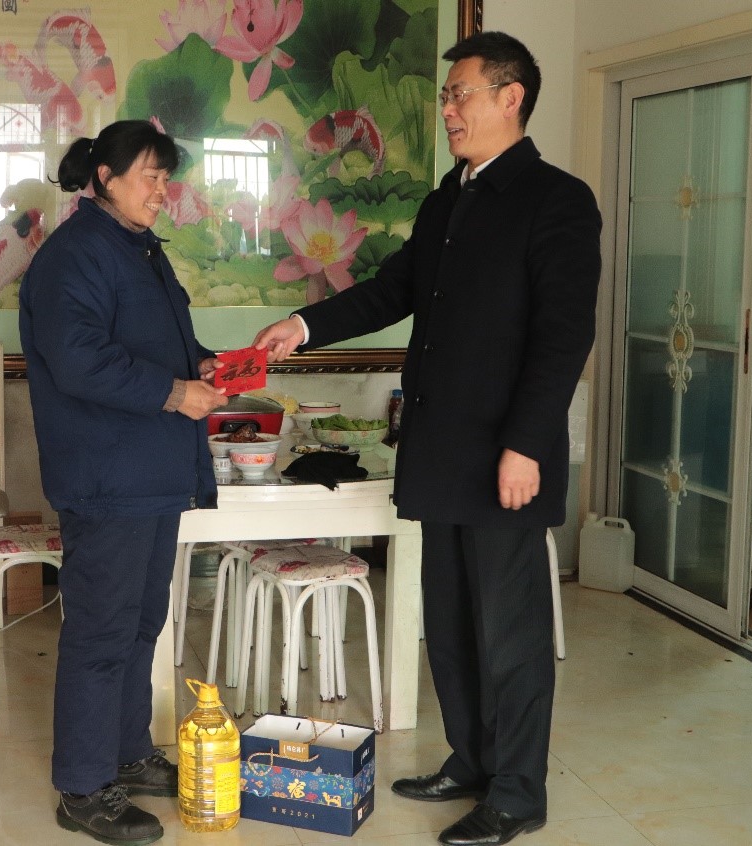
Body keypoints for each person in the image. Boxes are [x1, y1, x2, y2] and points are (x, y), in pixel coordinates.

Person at [254, 32, 601, 846]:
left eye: (459, 93)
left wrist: (527, 444)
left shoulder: (555, 199)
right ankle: (471, 761)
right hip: (443, 449)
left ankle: (516, 793)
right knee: (447, 622)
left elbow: (562, 335)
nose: (446, 108)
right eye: (446, 96)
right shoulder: (448, 199)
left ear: (510, 97)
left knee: (509, 635)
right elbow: (392, 290)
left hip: (506, 454)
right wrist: (302, 325)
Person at [20, 119, 228, 846]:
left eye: (166, 178)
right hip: (107, 475)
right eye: (150, 177)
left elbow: (156, 343)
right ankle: (83, 788)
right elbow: (80, 360)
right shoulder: (74, 254)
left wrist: (203, 365)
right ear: (105, 178)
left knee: (141, 623)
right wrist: (174, 392)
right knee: (102, 631)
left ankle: (128, 752)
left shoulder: (138, 248)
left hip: (151, 473)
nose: (162, 191)